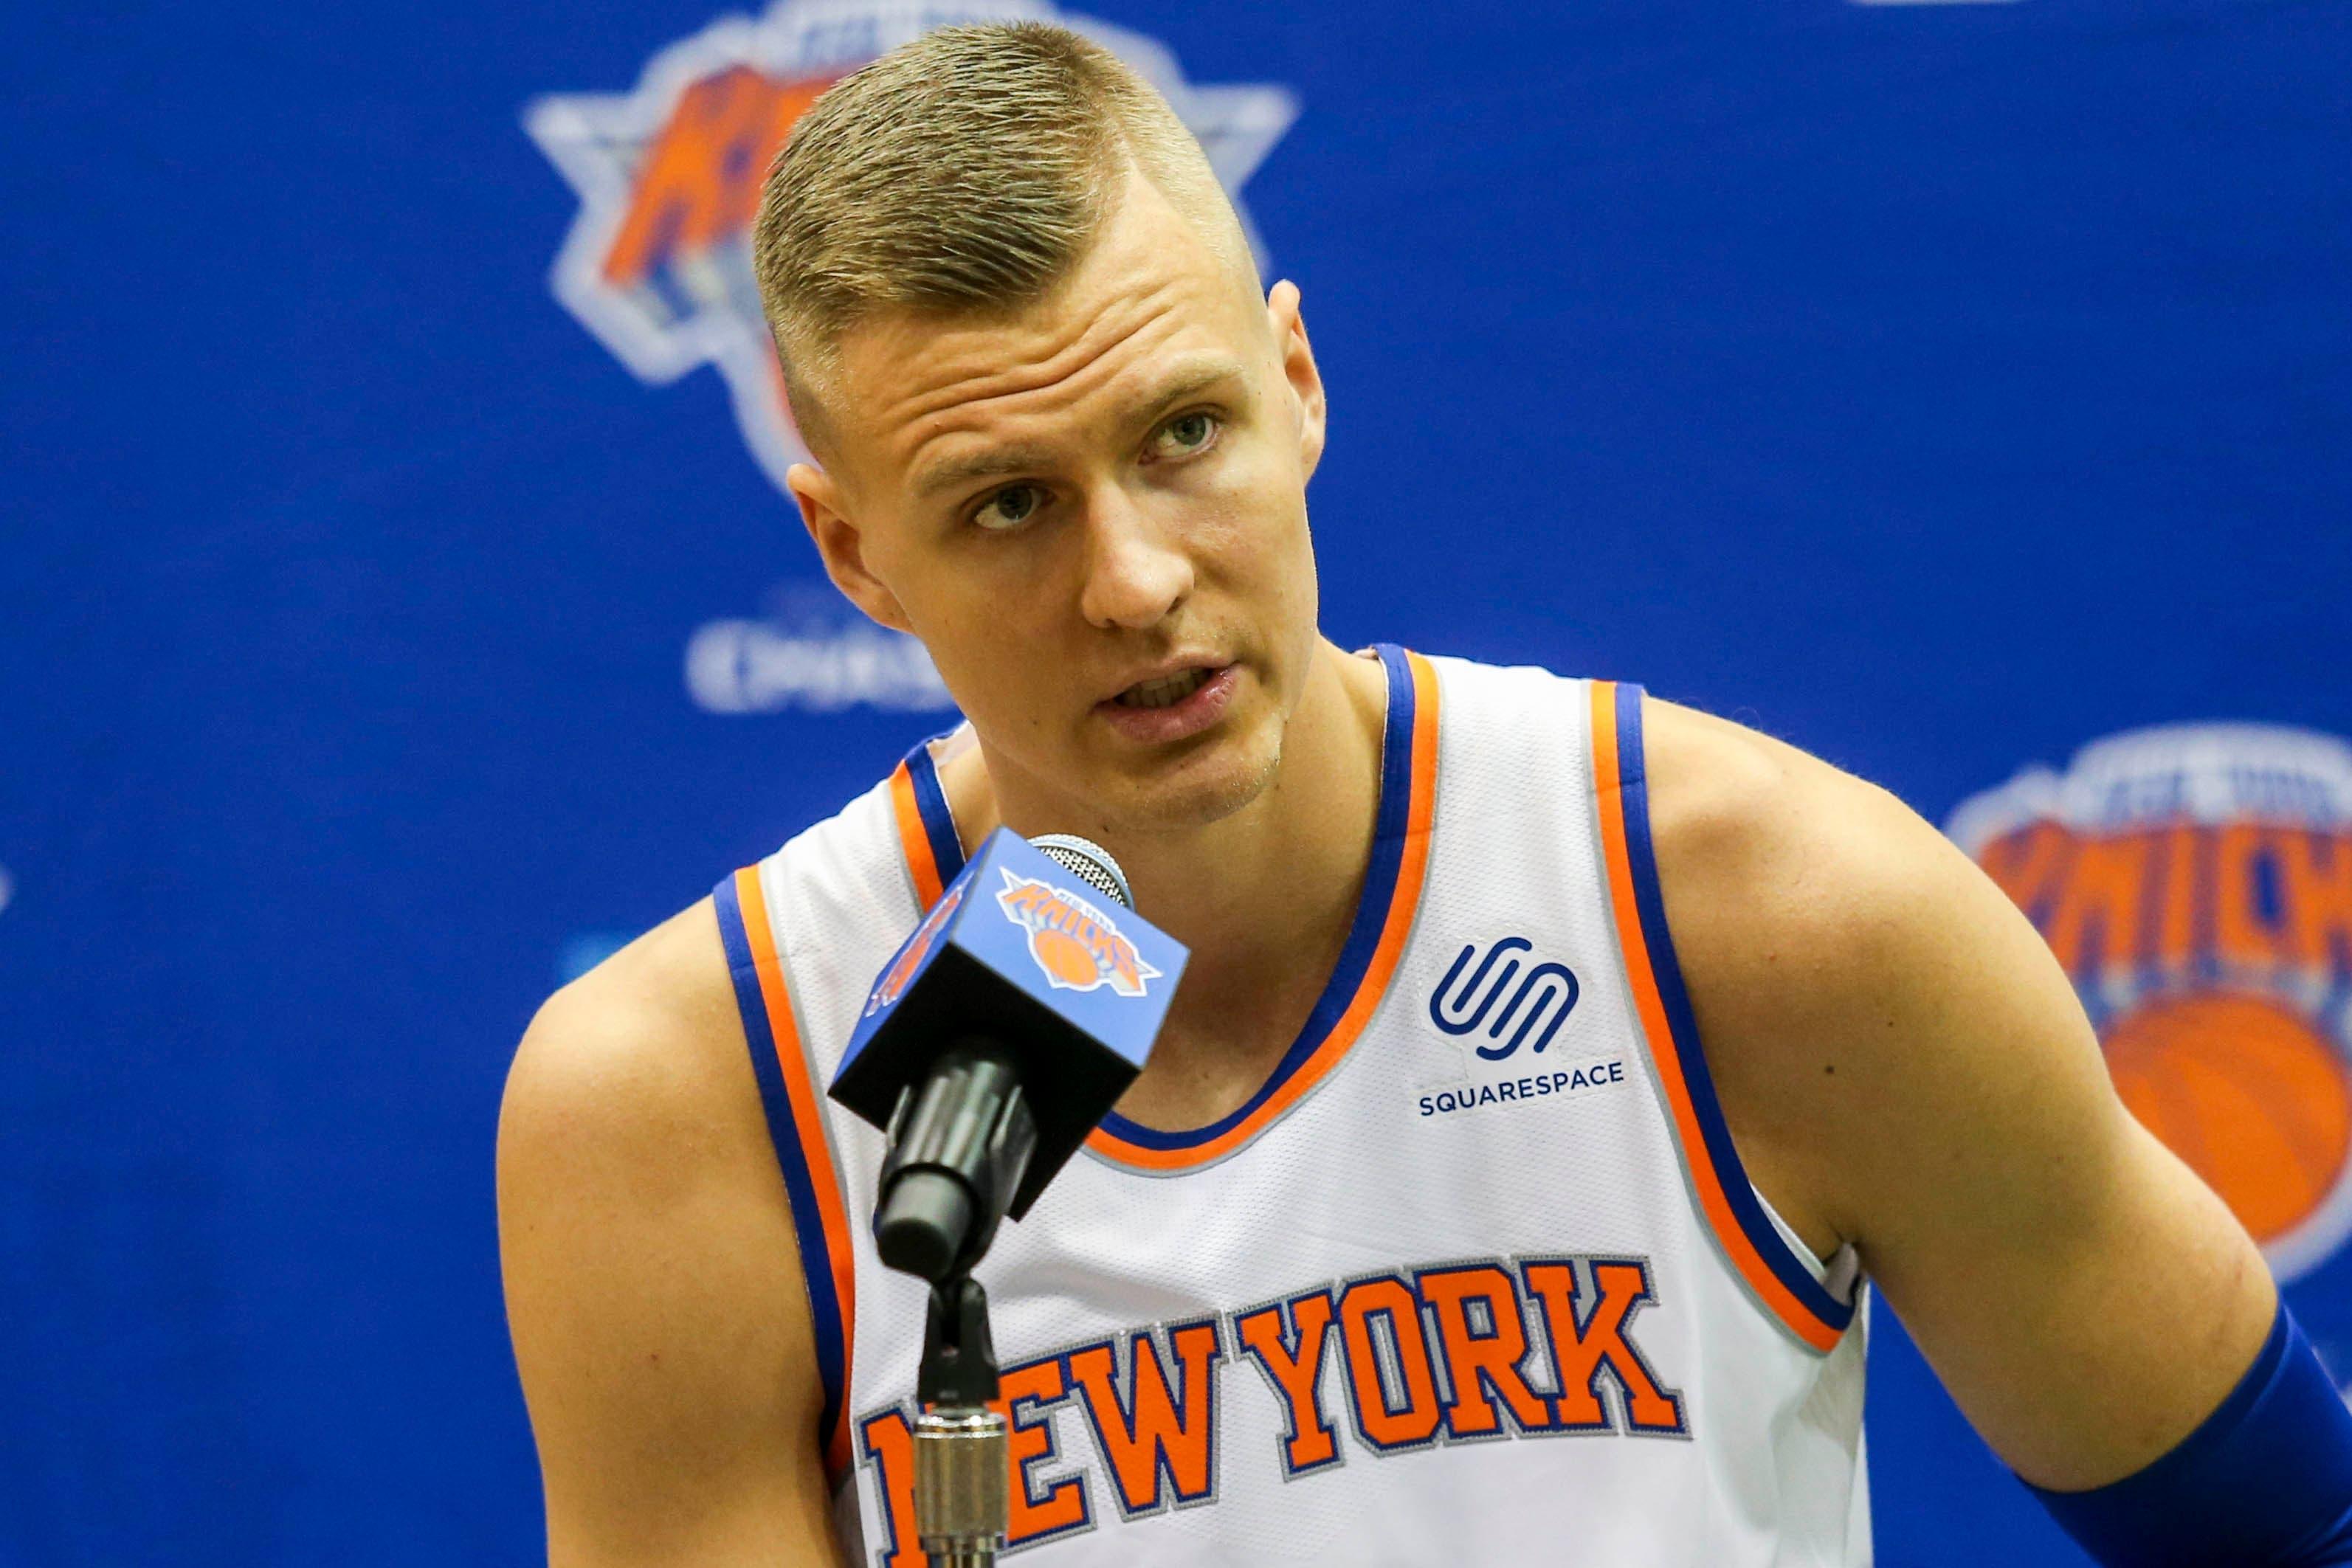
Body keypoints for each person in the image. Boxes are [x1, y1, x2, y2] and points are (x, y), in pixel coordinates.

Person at [497, 21, 2352, 1567]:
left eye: (1184, 434)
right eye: (1006, 503)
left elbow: (2292, 1530)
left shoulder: (1763, 915)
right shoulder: (684, 1108)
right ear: (849, 554)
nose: (1135, 578)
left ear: (1296, 382)